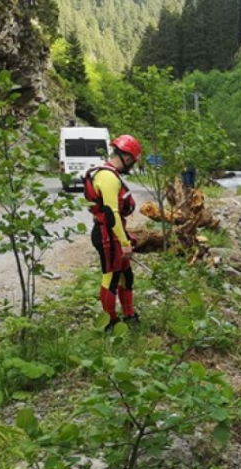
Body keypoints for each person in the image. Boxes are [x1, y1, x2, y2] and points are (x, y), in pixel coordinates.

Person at [83, 134, 142, 330]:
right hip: (107, 234)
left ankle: (129, 315)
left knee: (127, 276)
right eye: (133, 161)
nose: (132, 165)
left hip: (112, 232)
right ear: (127, 158)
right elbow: (111, 214)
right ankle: (110, 322)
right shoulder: (108, 177)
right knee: (111, 276)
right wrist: (124, 243)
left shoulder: (106, 173)